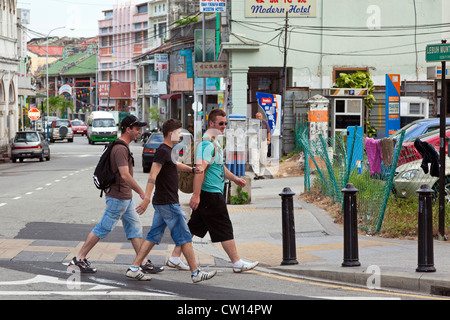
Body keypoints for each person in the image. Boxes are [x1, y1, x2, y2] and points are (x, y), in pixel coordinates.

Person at [68, 115, 163, 274]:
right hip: (118, 198)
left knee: (135, 228)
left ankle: (142, 261)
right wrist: (141, 192)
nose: (139, 132)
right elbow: (125, 175)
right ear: (128, 129)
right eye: (137, 129)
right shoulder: (120, 149)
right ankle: (79, 258)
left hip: (125, 198)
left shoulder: (122, 146)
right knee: (103, 228)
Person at [126, 119, 217, 283]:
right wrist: (146, 198)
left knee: (153, 236)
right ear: (171, 133)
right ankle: (195, 272)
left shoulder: (167, 150)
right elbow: (152, 175)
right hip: (167, 202)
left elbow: (174, 165)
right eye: (179, 132)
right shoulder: (162, 151)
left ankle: (134, 268)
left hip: (164, 202)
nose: (180, 134)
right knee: (185, 236)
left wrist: (191, 169)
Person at [189, 109, 259, 273]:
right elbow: (200, 170)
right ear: (211, 123)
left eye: (225, 123)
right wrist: (196, 195)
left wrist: (234, 178)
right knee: (224, 227)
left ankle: (175, 257)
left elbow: (220, 167)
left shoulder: (216, 143)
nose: (223, 126)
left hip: (211, 193)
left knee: (193, 227)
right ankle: (236, 262)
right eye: (221, 123)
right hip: (210, 193)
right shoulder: (206, 145)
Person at [254, 112, 271, 180]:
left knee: (263, 157)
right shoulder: (253, 123)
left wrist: (268, 140)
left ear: (262, 117)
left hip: (263, 141)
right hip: (256, 142)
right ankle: (256, 174)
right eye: (257, 116)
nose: (258, 118)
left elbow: (268, 131)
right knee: (256, 158)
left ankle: (261, 173)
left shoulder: (265, 123)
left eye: (260, 116)